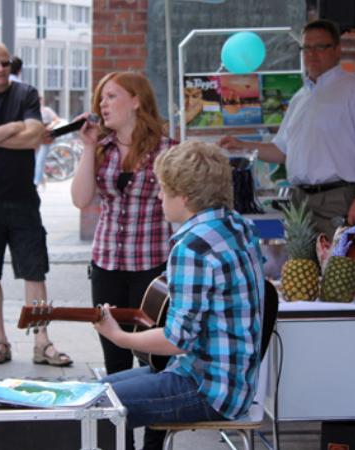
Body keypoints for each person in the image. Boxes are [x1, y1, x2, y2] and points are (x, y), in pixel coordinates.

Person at [94, 141, 265, 450]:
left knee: (94, 408)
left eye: (163, 189)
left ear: (184, 197)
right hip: (231, 383)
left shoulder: (192, 247)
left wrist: (119, 337)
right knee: (95, 392)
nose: (159, 196)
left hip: (207, 390)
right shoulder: (237, 225)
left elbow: (176, 341)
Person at [71, 71, 174, 450]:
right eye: (101, 97)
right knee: (115, 361)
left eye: (111, 96)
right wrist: (86, 148)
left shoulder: (166, 148)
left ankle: (153, 445)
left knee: (155, 361)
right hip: (107, 265)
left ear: (136, 100)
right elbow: (82, 200)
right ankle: (121, 443)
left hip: (152, 268)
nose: (102, 104)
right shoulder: (102, 148)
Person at [219, 19, 355, 239]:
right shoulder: (301, 97)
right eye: (307, 48)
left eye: (321, 47)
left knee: (340, 269)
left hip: (338, 198)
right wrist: (242, 146)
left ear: (337, 50)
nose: (312, 54)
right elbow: (282, 151)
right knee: (302, 271)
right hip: (299, 201)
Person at [0, 41, 72, 366]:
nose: (0, 69)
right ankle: (0, 341)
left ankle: (42, 341)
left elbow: (35, 134)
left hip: (23, 195)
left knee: (34, 269)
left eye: (5, 63)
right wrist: (13, 129)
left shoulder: (25, 93)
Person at [33, 95, 61, 187]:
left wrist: (51, 126)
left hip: (45, 137)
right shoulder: (32, 111)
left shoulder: (47, 110)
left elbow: (57, 120)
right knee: (35, 160)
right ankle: (40, 178)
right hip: (35, 138)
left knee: (40, 160)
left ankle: (36, 182)